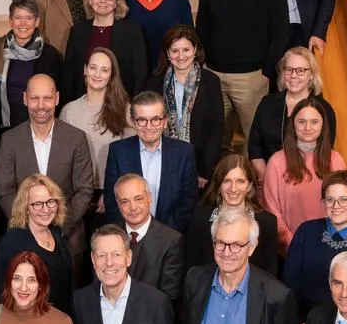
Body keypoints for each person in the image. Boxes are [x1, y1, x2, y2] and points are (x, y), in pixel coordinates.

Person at [196, 0, 289, 141]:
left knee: (254, 141)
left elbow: (281, 31)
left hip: (253, 77)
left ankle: (253, 178)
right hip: (214, 75)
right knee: (214, 138)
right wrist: (205, 66)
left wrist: (267, 71)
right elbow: (201, 29)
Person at [0, 74, 97, 259]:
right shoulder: (10, 140)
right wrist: (31, 229)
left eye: (47, 98)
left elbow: (84, 190)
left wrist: (60, 228)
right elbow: (5, 192)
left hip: (68, 238)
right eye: (34, 98)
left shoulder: (76, 138)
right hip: (23, 237)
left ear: (57, 98)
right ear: (25, 99)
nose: (41, 106)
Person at [283, 171, 347, 320]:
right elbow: (289, 282)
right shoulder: (306, 231)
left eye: (343, 199)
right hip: (304, 322)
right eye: (330, 199)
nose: (336, 206)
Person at [103, 91, 198, 233]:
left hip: (171, 237)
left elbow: (189, 200)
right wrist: (131, 233)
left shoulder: (184, 152)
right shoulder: (118, 151)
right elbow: (112, 200)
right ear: (134, 122)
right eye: (142, 120)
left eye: (156, 119)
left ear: (165, 121)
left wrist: (164, 235)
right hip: (129, 238)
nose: (149, 126)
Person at [262, 98, 346, 253]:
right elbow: (271, 211)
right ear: (293, 124)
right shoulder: (276, 162)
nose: (308, 127)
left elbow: (344, 207)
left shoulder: (336, 160)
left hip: (330, 250)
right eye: (301, 121)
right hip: (290, 251)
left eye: (314, 122)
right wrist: (292, 243)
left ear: (323, 126)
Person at [246, 47, 337, 181]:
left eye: (301, 70)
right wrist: (267, 177)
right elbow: (254, 145)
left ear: (311, 75)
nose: (294, 75)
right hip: (268, 177)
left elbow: (325, 150)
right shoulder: (268, 103)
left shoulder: (323, 109)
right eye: (289, 69)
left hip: (307, 179)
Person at [151, 25, 224, 189]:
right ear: (167, 53)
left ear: (195, 50)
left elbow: (216, 128)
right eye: (175, 50)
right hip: (163, 162)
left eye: (186, 49)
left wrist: (205, 170)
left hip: (199, 165)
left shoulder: (211, 81)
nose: (181, 56)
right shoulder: (155, 81)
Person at [57, 47, 132, 201]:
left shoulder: (125, 110)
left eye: (104, 70)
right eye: (93, 68)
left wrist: (110, 194)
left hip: (113, 194)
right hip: (76, 194)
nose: (97, 75)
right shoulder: (69, 111)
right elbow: (62, 159)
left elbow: (130, 158)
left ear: (111, 75)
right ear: (85, 70)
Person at [0, 174, 75, 316]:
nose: (46, 210)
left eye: (51, 202)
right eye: (37, 204)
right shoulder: (12, 243)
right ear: (25, 207)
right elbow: (4, 295)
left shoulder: (56, 234)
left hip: (61, 323)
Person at [60, 0, 147, 103]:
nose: (102, 0)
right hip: (83, 105)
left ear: (117, 1)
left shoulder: (131, 31)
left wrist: (132, 107)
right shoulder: (77, 31)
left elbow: (140, 74)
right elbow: (69, 77)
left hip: (121, 106)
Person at [0, 0, 64, 135]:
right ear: (10, 21)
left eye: (29, 18)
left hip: (37, 126)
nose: (23, 23)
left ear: (37, 21)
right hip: (1, 127)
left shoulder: (51, 55)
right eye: (17, 17)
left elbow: (56, 96)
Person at [186, 154, 278, 276]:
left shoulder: (267, 223)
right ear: (219, 186)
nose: (233, 189)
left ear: (249, 186)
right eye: (226, 181)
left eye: (241, 181)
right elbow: (190, 269)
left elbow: (270, 274)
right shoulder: (199, 218)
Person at [112, 174, 184, 307]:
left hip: (150, 321)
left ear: (149, 198)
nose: (133, 207)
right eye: (125, 201)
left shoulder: (171, 240)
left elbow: (168, 297)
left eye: (138, 199)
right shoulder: (108, 236)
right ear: (118, 204)